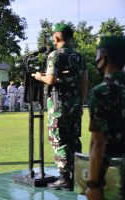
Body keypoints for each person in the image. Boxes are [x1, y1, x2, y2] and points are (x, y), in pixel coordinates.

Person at [33, 23, 88, 190]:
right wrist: (80, 102)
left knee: (59, 140)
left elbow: (50, 80)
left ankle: (64, 179)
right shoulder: (79, 57)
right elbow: (84, 81)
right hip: (75, 106)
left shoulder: (54, 55)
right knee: (74, 140)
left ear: (56, 37)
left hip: (59, 106)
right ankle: (77, 176)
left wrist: (38, 77)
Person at [85, 36, 125, 200]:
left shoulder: (101, 91)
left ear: (104, 56)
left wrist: (93, 184)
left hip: (110, 173)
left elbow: (98, 143)